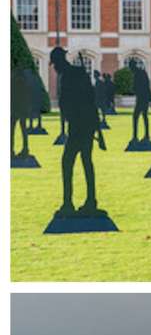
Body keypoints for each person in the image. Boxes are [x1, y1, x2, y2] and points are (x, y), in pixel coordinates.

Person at [50, 47, 107, 218]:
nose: (54, 68)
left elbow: (83, 102)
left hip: (79, 125)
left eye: (54, 64)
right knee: (86, 161)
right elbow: (91, 100)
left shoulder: (69, 76)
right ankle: (90, 200)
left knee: (68, 162)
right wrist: (98, 131)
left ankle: (69, 203)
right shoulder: (77, 73)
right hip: (84, 124)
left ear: (59, 61)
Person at [129, 58, 151, 144]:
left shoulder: (138, 73)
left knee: (136, 117)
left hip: (142, 98)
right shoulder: (140, 73)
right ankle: (146, 135)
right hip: (143, 98)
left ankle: (136, 136)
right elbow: (147, 85)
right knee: (144, 117)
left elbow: (144, 86)